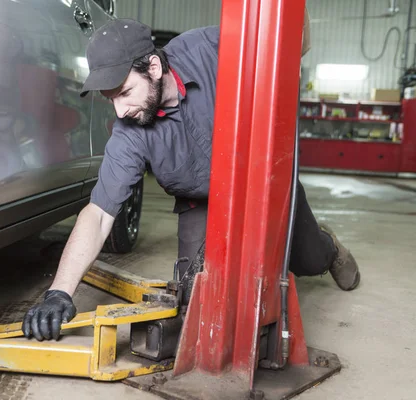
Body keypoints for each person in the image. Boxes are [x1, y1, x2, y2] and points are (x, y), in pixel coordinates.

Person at [22, 17, 360, 342]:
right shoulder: (130, 132)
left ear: (153, 67)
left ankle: (329, 249)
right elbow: (98, 214)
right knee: (194, 305)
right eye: (111, 99)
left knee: (305, 259)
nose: (120, 111)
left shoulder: (212, 48)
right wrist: (59, 292)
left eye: (125, 92)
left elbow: (290, 37)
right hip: (200, 200)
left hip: (261, 184)